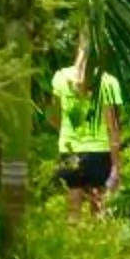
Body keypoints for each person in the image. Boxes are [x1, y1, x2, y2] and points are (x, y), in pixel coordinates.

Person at [48, 44, 124, 215]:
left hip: (70, 152)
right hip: (98, 154)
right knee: (98, 213)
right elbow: (113, 128)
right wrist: (117, 166)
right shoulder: (108, 82)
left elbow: (54, 117)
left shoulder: (60, 78)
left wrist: (69, 132)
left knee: (73, 212)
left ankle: (70, 240)